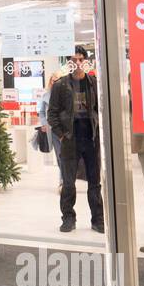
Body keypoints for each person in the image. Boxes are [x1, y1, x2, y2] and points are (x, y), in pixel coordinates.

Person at [47, 45, 104, 234]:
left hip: (91, 137)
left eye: (80, 59)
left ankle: (98, 220)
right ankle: (68, 219)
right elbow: (52, 114)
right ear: (68, 63)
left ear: (85, 61)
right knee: (69, 183)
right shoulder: (60, 85)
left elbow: (101, 110)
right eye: (73, 60)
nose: (77, 63)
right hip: (70, 138)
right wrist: (62, 134)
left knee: (94, 182)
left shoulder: (94, 83)